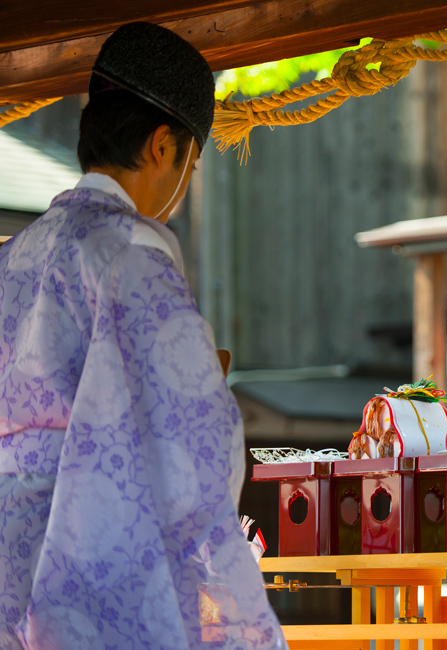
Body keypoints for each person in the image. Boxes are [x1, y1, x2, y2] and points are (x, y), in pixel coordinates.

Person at [0, 23, 285, 649]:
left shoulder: (12, 257)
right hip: (79, 568)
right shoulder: (129, 252)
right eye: (190, 157)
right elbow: (191, 441)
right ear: (163, 147)